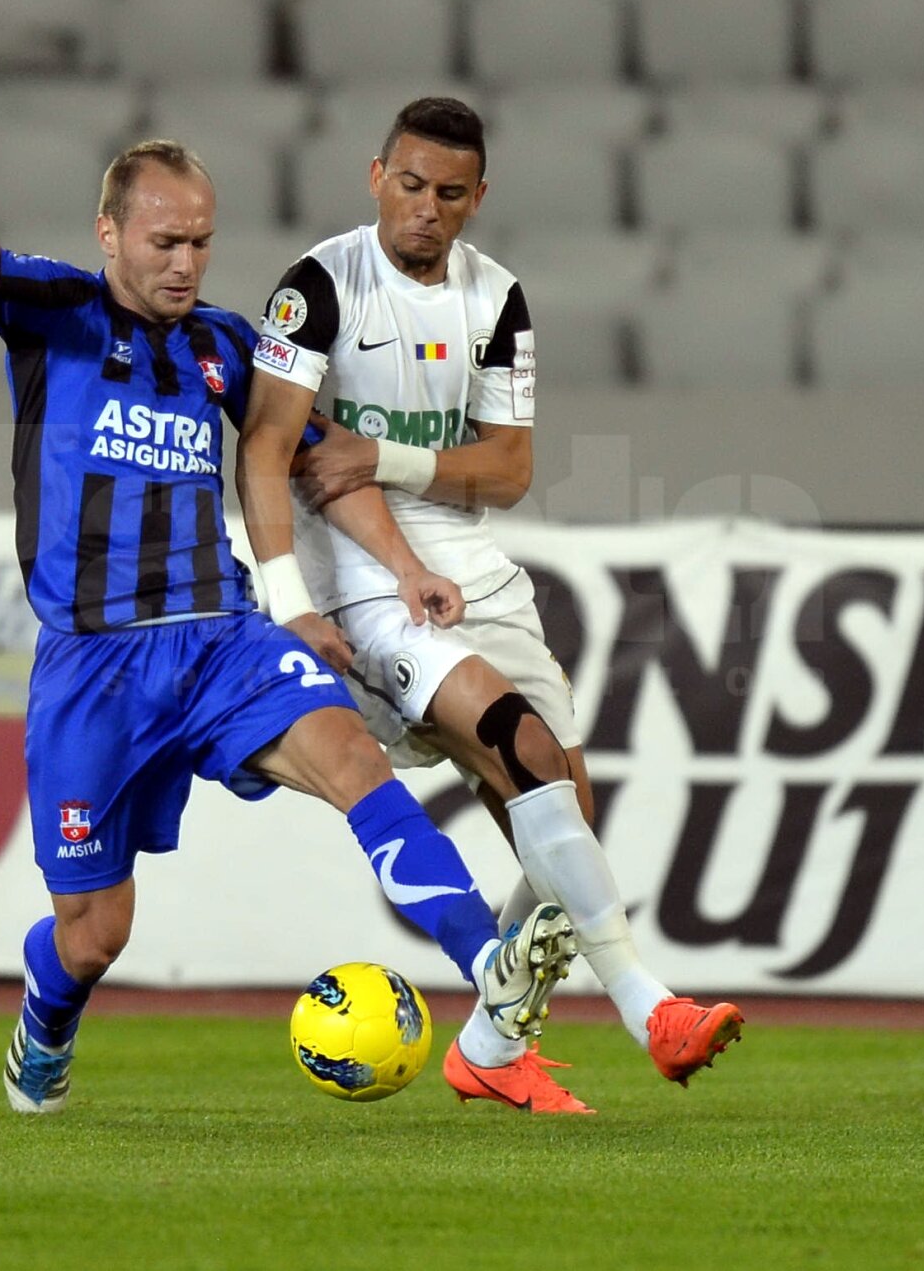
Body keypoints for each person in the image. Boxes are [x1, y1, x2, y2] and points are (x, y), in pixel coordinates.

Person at [0, 138, 577, 1115]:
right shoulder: (55, 312)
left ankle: (490, 964)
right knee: (95, 935)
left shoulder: (223, 346)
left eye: (201, 242)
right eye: (165, 241)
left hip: (222, 639)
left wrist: (407, 568)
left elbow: (318, 463)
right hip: (93, 670)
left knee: (357, 761)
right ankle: (47, 1017)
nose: (185, 263)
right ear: (111, 233)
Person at [237, 99, 744, 1115]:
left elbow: (507, 469)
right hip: (364, 576)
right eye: (410, 185)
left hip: (472, 563)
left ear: (479, 197)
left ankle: (491, 1039)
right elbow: (264, 446)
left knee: (561, 803)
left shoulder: (496, 298)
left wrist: (382, 452)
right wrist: (289, 599)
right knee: (515, 740)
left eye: (449, 193)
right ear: (376, 174)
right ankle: (651, 1008)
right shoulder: (319, 287)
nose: (425, 210)